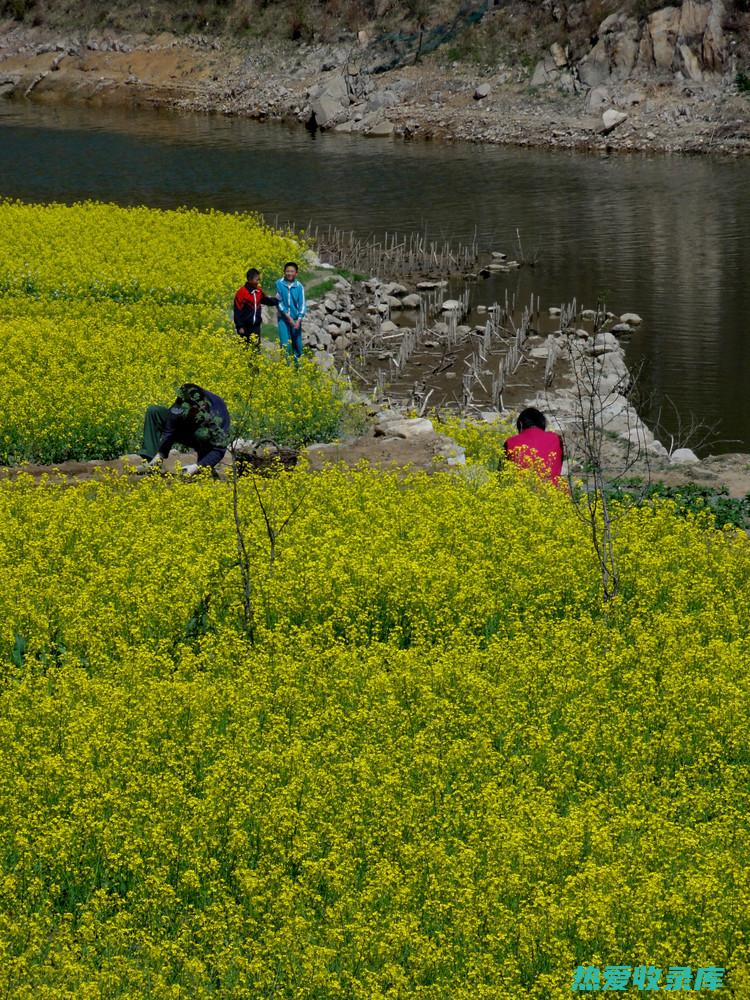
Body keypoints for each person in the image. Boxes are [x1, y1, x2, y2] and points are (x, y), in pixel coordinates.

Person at [138, 383, 230, 476]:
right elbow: (170, 426)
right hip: (186, 431)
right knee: (154, 411)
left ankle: (205, 467)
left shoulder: (216, 414)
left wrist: (197, 467)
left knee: (201, 435)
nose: (185, 413)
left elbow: (219, 449)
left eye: (189, 412)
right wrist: (160, 454)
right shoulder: (184, 398)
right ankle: (150, 462)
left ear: (198, 408)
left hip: (203, 437)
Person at [503, 407, 565, 485]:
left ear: (521, 425)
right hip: (555, 494)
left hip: (520, 493)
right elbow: (559, 465)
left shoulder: (510, 442)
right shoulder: (556, 439)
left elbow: (502, 475)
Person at [233, 268, 278, 349]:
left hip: (256, 327)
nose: (259, 281)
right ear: (250, 279)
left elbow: (266, 300)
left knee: (256, 350)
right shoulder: (241, 292)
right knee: (244, 349)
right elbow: (237, 311)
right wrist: (239, 326)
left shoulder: (258, 291)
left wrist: (277, 301)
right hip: (244, 327)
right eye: (257, 279)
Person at [275, 261, 306, 362]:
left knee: (297, 344)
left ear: (296, 273)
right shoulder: (279, 283)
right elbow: (278, 301)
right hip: (283, 318)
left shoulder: (299, 286)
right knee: (285, 344)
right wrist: (287, 317)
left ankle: (299, 368)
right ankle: (286, 369)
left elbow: (302, 305)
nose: (289, 273)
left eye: (292, 271)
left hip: (296, 319)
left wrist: (298, 320)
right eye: (287, 271)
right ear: (284, 272)